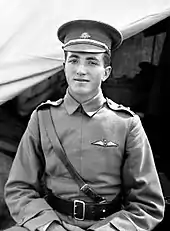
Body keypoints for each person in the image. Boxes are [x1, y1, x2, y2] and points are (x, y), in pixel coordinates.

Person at [4, 19, 165, 231]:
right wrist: (50, 226)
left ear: (106, 72)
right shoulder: (43, 117)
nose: (80, 70)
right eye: (73, 60)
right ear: (64, 68)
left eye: (91, 62)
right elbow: (19, 188)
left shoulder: (126, 123)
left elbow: (147, 204)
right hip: (51, 223)